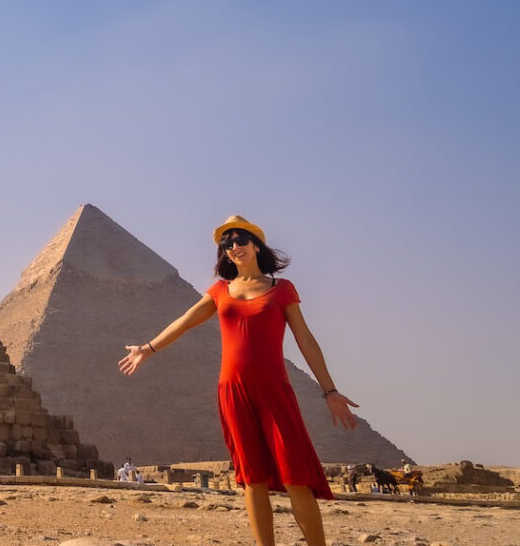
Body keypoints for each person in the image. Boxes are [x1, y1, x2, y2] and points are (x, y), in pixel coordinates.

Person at [118, 216, 361, 546]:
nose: (234, 247)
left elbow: (306, 339)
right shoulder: (220, 291)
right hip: (232, 392)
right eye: (226, 244)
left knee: (295, 477)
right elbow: (185, 322)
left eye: (240, 240)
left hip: (274, 391)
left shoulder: (281, 289)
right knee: (252, 480)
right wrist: (148, 349)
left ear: (256, 244)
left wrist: (329, 390)